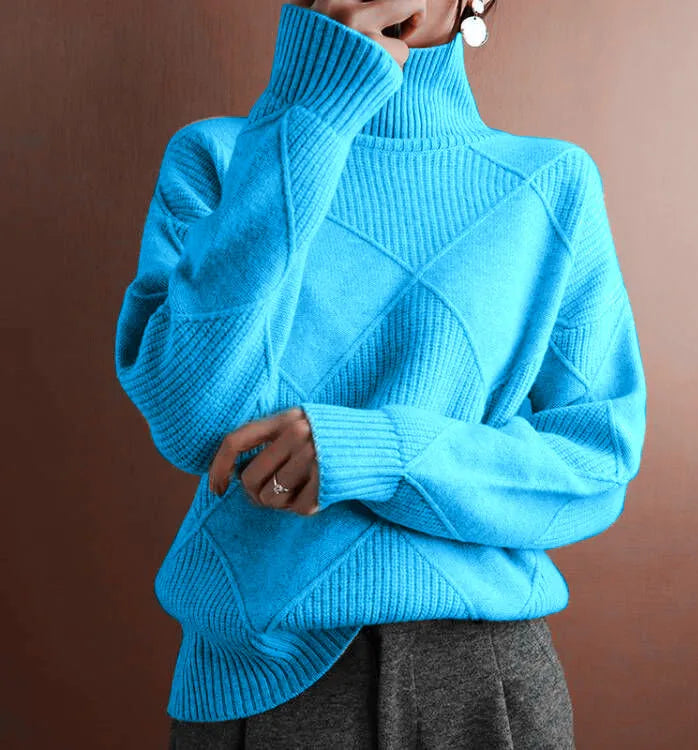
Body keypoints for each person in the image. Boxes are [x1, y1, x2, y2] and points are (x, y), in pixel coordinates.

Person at [113, 0, 648, 747]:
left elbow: (597, 463)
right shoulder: (219, 159)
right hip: (260, 678)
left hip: (481, 675)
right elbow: (193, 420)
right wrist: (313, 104)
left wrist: (381, 452)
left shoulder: (551, 185)